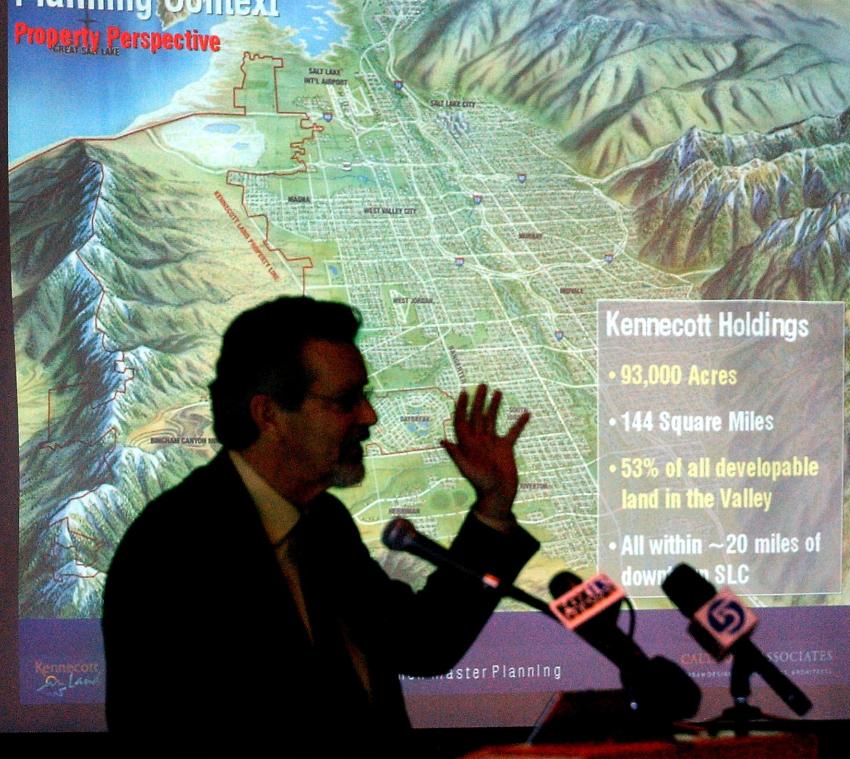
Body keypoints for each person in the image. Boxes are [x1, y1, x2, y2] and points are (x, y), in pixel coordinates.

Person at [101, 296, 539, 757]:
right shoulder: (173, 548)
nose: (369, 417)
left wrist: (493, 506)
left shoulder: (323, 523)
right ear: (268, 414)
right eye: (345, 401)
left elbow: (419, 642)